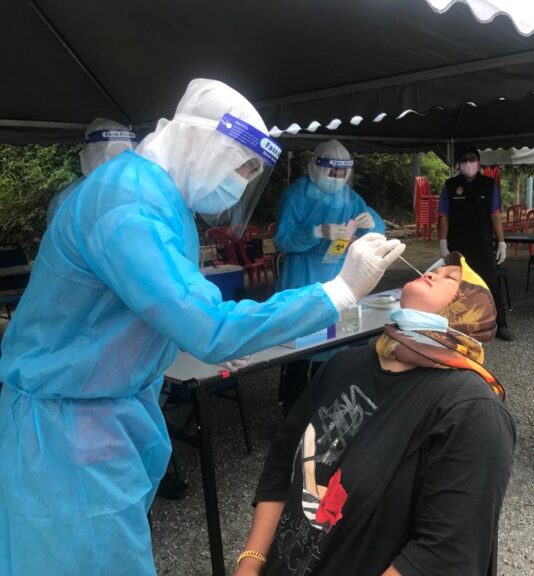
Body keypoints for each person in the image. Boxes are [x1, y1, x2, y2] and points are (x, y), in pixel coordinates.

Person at [0, 78, 405, 576]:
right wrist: (338, 292)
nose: (239, 183)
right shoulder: (126, 204)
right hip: (68, 430)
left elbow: (139, 308)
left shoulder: (156, 197)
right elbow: (210, 327)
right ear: (204, 143)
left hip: (100, 409)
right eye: (241, 167)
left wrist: (185, 335)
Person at [235, 252, 515, 576]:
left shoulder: (472, 411)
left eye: (450, 277)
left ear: (468, 310)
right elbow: (283, 463)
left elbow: (443, 556)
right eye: (434, 269)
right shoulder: (343, 365)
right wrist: (251, 562)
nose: (432, 273)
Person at [274, 140, 385, 414]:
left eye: (342, 173)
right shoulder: (296, 195)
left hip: (336, 273)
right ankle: (293, 411)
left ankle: (326, 407)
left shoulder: (349, 197)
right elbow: (282, 239)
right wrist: (316, 232)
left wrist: (372, 222)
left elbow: (375, 229)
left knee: (335, 343)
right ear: (316, 167)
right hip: (302, 275)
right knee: (299, 346)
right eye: (332, 172)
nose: (337, 179)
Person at [437, 145, 513, 341]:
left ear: (478, 163)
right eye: (464, 160)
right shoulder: (450, 185)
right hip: (457, 243)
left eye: (472, 159)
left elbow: (495, 215)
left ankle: (501, 325)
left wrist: (501, 242)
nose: (468, 163)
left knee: (490, 284)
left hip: (483, 242)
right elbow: (443, 215)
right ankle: (455, 326)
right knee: (455, 286)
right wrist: (443, 243)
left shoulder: (489, 185)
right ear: (459, 164)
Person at [47, 118, 137, 225]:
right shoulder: (66, 200)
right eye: (112, 155)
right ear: (92, 153)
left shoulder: (136, 192)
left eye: (123, 155)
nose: (116, 163)